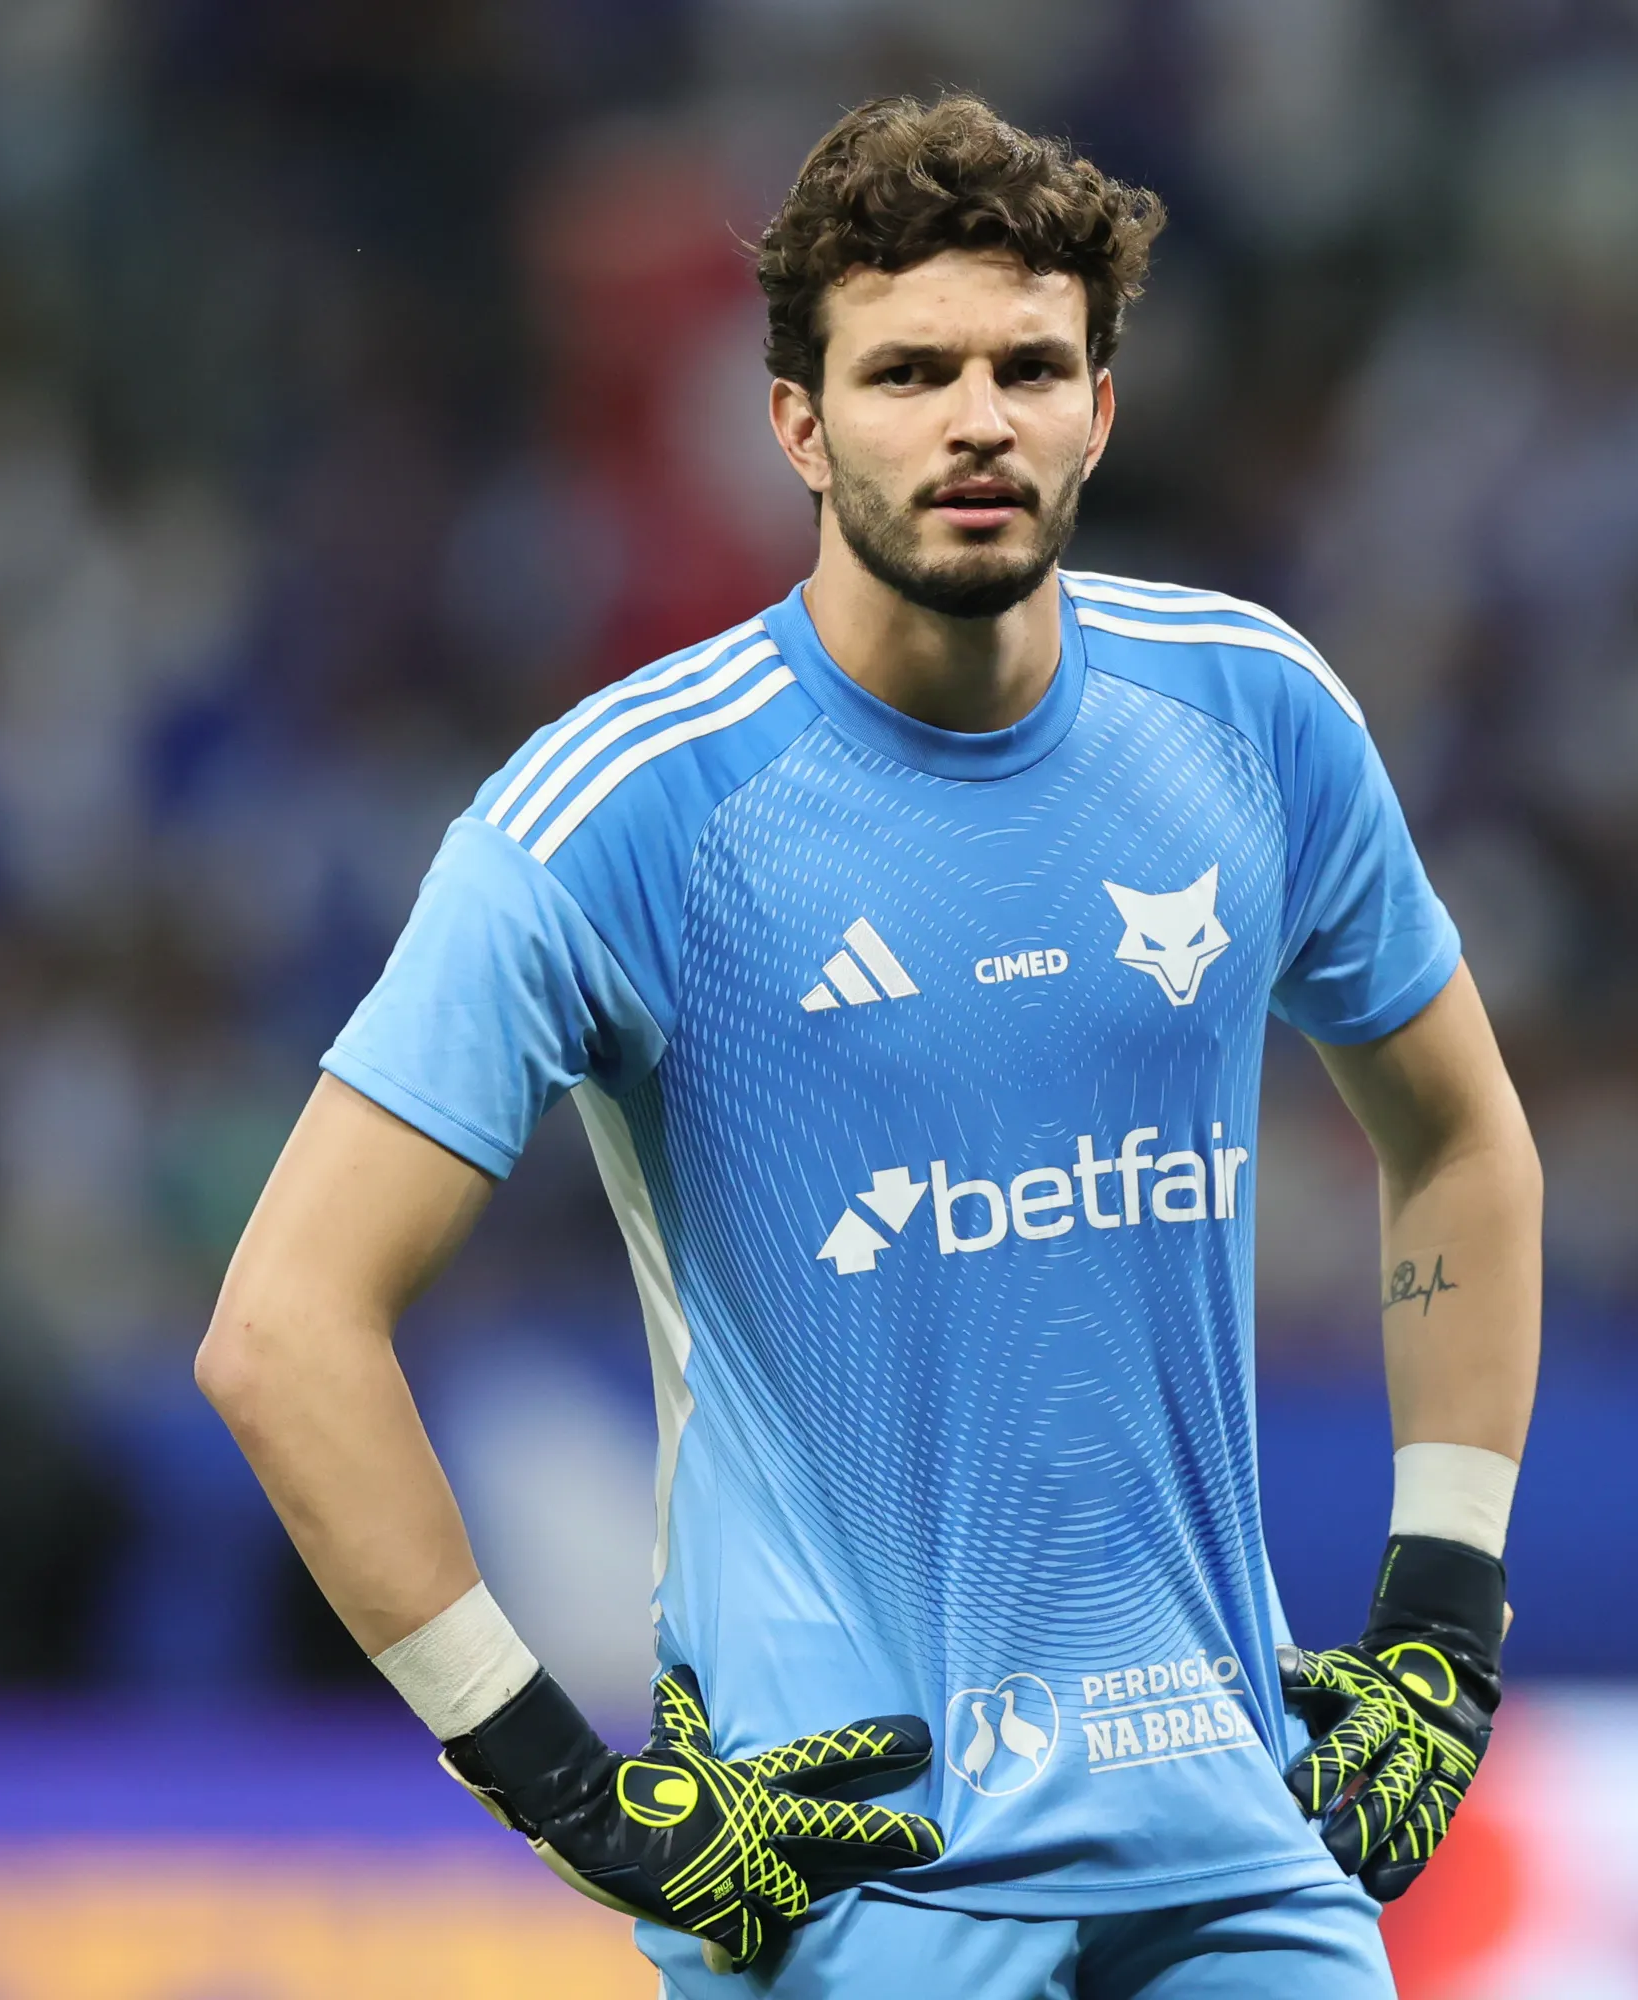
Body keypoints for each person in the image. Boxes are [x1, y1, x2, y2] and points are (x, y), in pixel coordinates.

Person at [198, 92, 1541, 1999]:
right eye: (909, 371)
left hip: (1247, 1860)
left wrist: (1441, 1615)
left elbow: (1466, 1141)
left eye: (1030, 365)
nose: (977, 417)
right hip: (858, 1889)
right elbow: (279, 1329)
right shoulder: (622, 814)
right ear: (797, 426)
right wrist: (569, 1791)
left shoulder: (1258, 718)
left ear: (1103, 407)